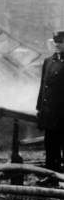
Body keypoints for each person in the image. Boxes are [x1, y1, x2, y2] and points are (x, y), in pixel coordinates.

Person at [36, 31, 64, 176]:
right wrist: (39, 109)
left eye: (61, 42)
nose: (57, 45)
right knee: (50, 147)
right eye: (56, 42)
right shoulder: (48, 61)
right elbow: (43, 87)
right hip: (49, 113)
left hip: (62, 115)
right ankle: (50, 176)